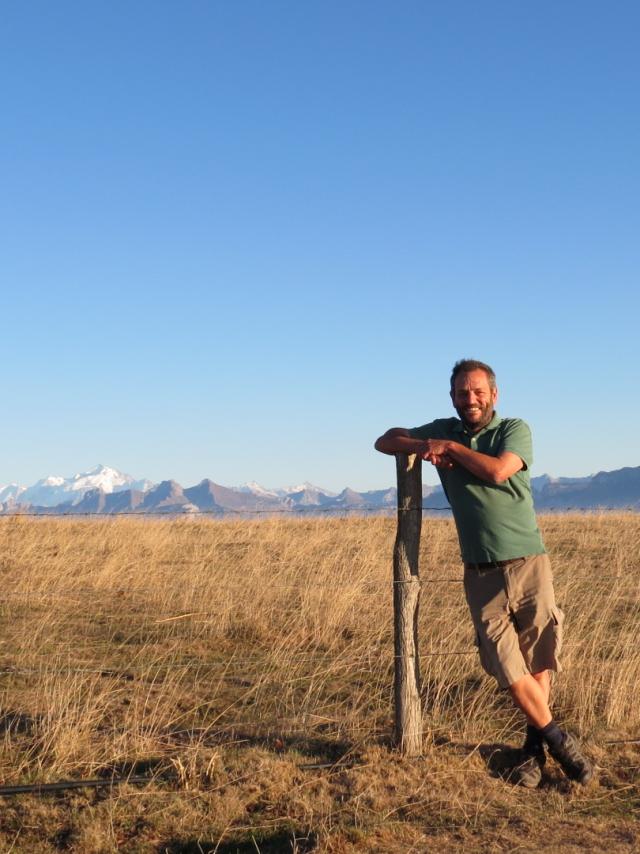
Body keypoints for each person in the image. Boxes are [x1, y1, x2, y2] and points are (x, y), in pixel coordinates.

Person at [374, 358, 593, 788]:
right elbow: (384, 441)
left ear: (494, 394)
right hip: (480, 573)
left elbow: (498, 471)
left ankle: (531, 754)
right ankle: (560, 742)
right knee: (507, 667)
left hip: (528, 561)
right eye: (461, 392)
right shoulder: (444, 428)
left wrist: (450, 449)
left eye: (477, 391)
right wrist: (423, 446)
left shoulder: (514, 430)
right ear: (452, 397)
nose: (469, 399)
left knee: (537, 658)